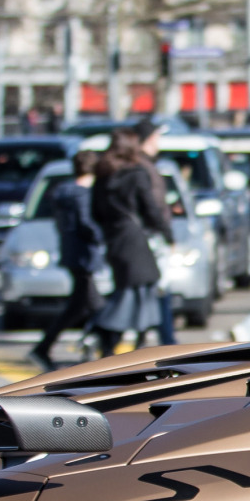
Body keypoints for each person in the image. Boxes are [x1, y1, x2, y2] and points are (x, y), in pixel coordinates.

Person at [92, 125, 176, 354]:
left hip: (114, 239)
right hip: (135, 240)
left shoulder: (102, 175)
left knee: (134, 291)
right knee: (136, 292)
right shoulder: (136, 174)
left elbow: (94, 212)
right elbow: (150, 208)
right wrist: (167, 234)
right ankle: (102, 330)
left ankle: (131, 344)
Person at [32, 150, 104, 369]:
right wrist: (102, 236)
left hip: (71, 252)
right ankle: (96, 348)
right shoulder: (82, 194)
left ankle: (45, 347)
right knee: (96, 306)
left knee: (80, 305)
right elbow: (85, 223)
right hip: (84, 254)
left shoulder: (62, 192)